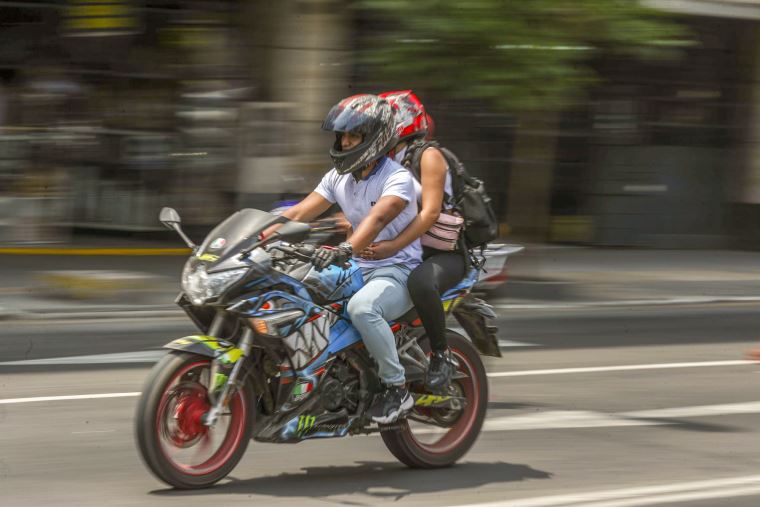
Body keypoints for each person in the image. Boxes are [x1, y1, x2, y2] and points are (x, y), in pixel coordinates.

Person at [275, 94, 422, 423]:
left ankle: (396, 389)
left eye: (352, 136)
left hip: (396, 271)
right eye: (342, 136)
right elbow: (300, 211)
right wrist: (260, 234)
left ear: (373, 139)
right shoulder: (338, 177)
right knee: (293, 288)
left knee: (362, 309)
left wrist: (346, 248)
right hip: (355, 267)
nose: (344, 142)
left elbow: (378, 220)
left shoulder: (398, 179)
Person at [360, 90, 465, 391]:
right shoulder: (383, 160)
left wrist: (391, 246)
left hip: (440, 252)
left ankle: (441, 354)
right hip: (407, 248)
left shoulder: (429, 156)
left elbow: (430, 213)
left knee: (419, 283)